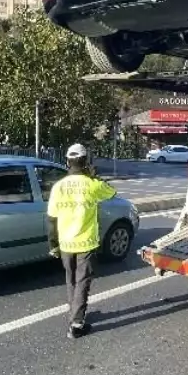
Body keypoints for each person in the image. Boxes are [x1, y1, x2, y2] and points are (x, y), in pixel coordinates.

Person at [46, 143, 117, 339]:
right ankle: (77, 323)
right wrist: (93, 176)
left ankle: (74, 313)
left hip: (66, 242)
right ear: (86, 162)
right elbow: (111, 192)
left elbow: (51, 219)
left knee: (71, 280)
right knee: (83, 281)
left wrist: (53, 245)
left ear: (67, 162)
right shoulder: (92, 184)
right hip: (86, 243)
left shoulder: (58, 187)